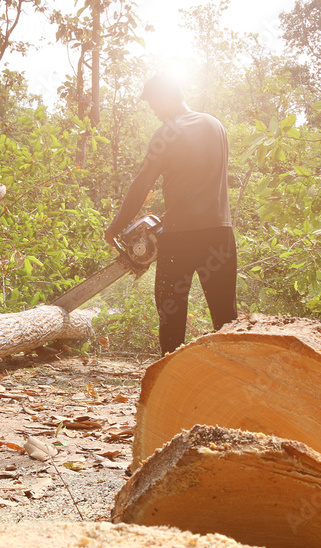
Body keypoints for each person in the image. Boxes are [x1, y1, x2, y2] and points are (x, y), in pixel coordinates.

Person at [105, 72, 237, 356]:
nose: (153, 111)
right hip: (221, 235)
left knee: (171, 313)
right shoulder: (216, 125)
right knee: (226, 318)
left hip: (181, 238)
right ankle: (236, 387)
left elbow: (142, 183)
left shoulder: (167, 133)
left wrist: (116, 226)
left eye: (153, 103)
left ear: (165, 98)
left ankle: (170, 380)